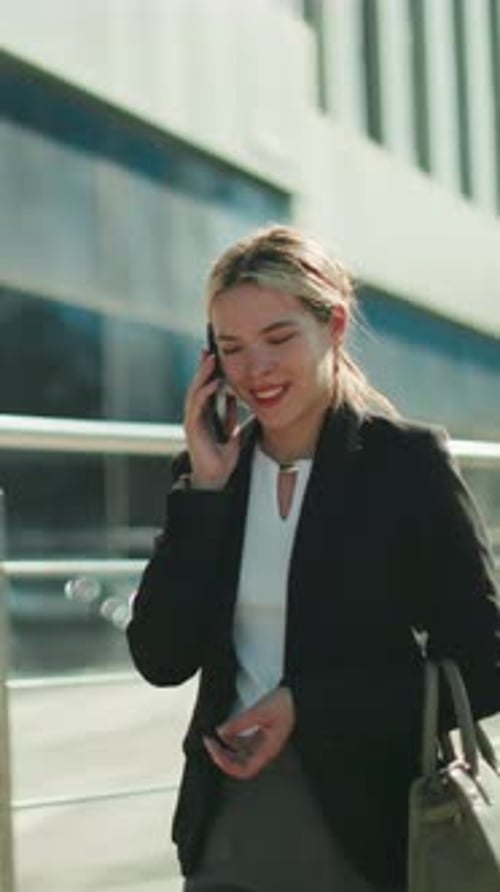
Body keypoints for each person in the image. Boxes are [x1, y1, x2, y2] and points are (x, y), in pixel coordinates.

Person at [126, 225, 500, 892]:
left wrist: (310, 704)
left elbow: (490, 663)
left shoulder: (404, 465)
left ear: (333, 324)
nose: (255, 369)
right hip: (225, 829)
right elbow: (161, 657)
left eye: (278, 339)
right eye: (232, 348)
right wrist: (205, 492)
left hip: (369, 827)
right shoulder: (213, 475)